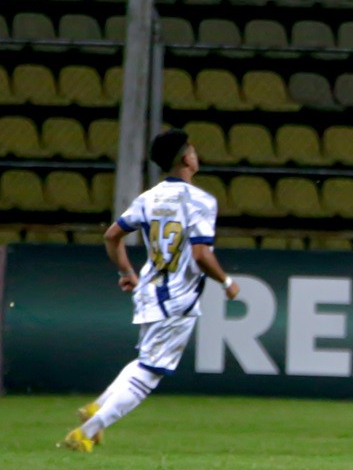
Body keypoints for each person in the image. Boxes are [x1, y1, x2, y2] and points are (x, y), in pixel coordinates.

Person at [61, 128, 240, 452]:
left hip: (150, 290)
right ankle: (87, 430)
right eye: (193, 150)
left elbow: (111, 236)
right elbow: (201, 255)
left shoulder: (149, 197)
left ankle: (99, 407)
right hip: (178, 298)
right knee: (149, 373)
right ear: (187, 158)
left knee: (145, 359)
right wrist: (226, 282)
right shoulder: (201, 201)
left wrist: (127, 271)